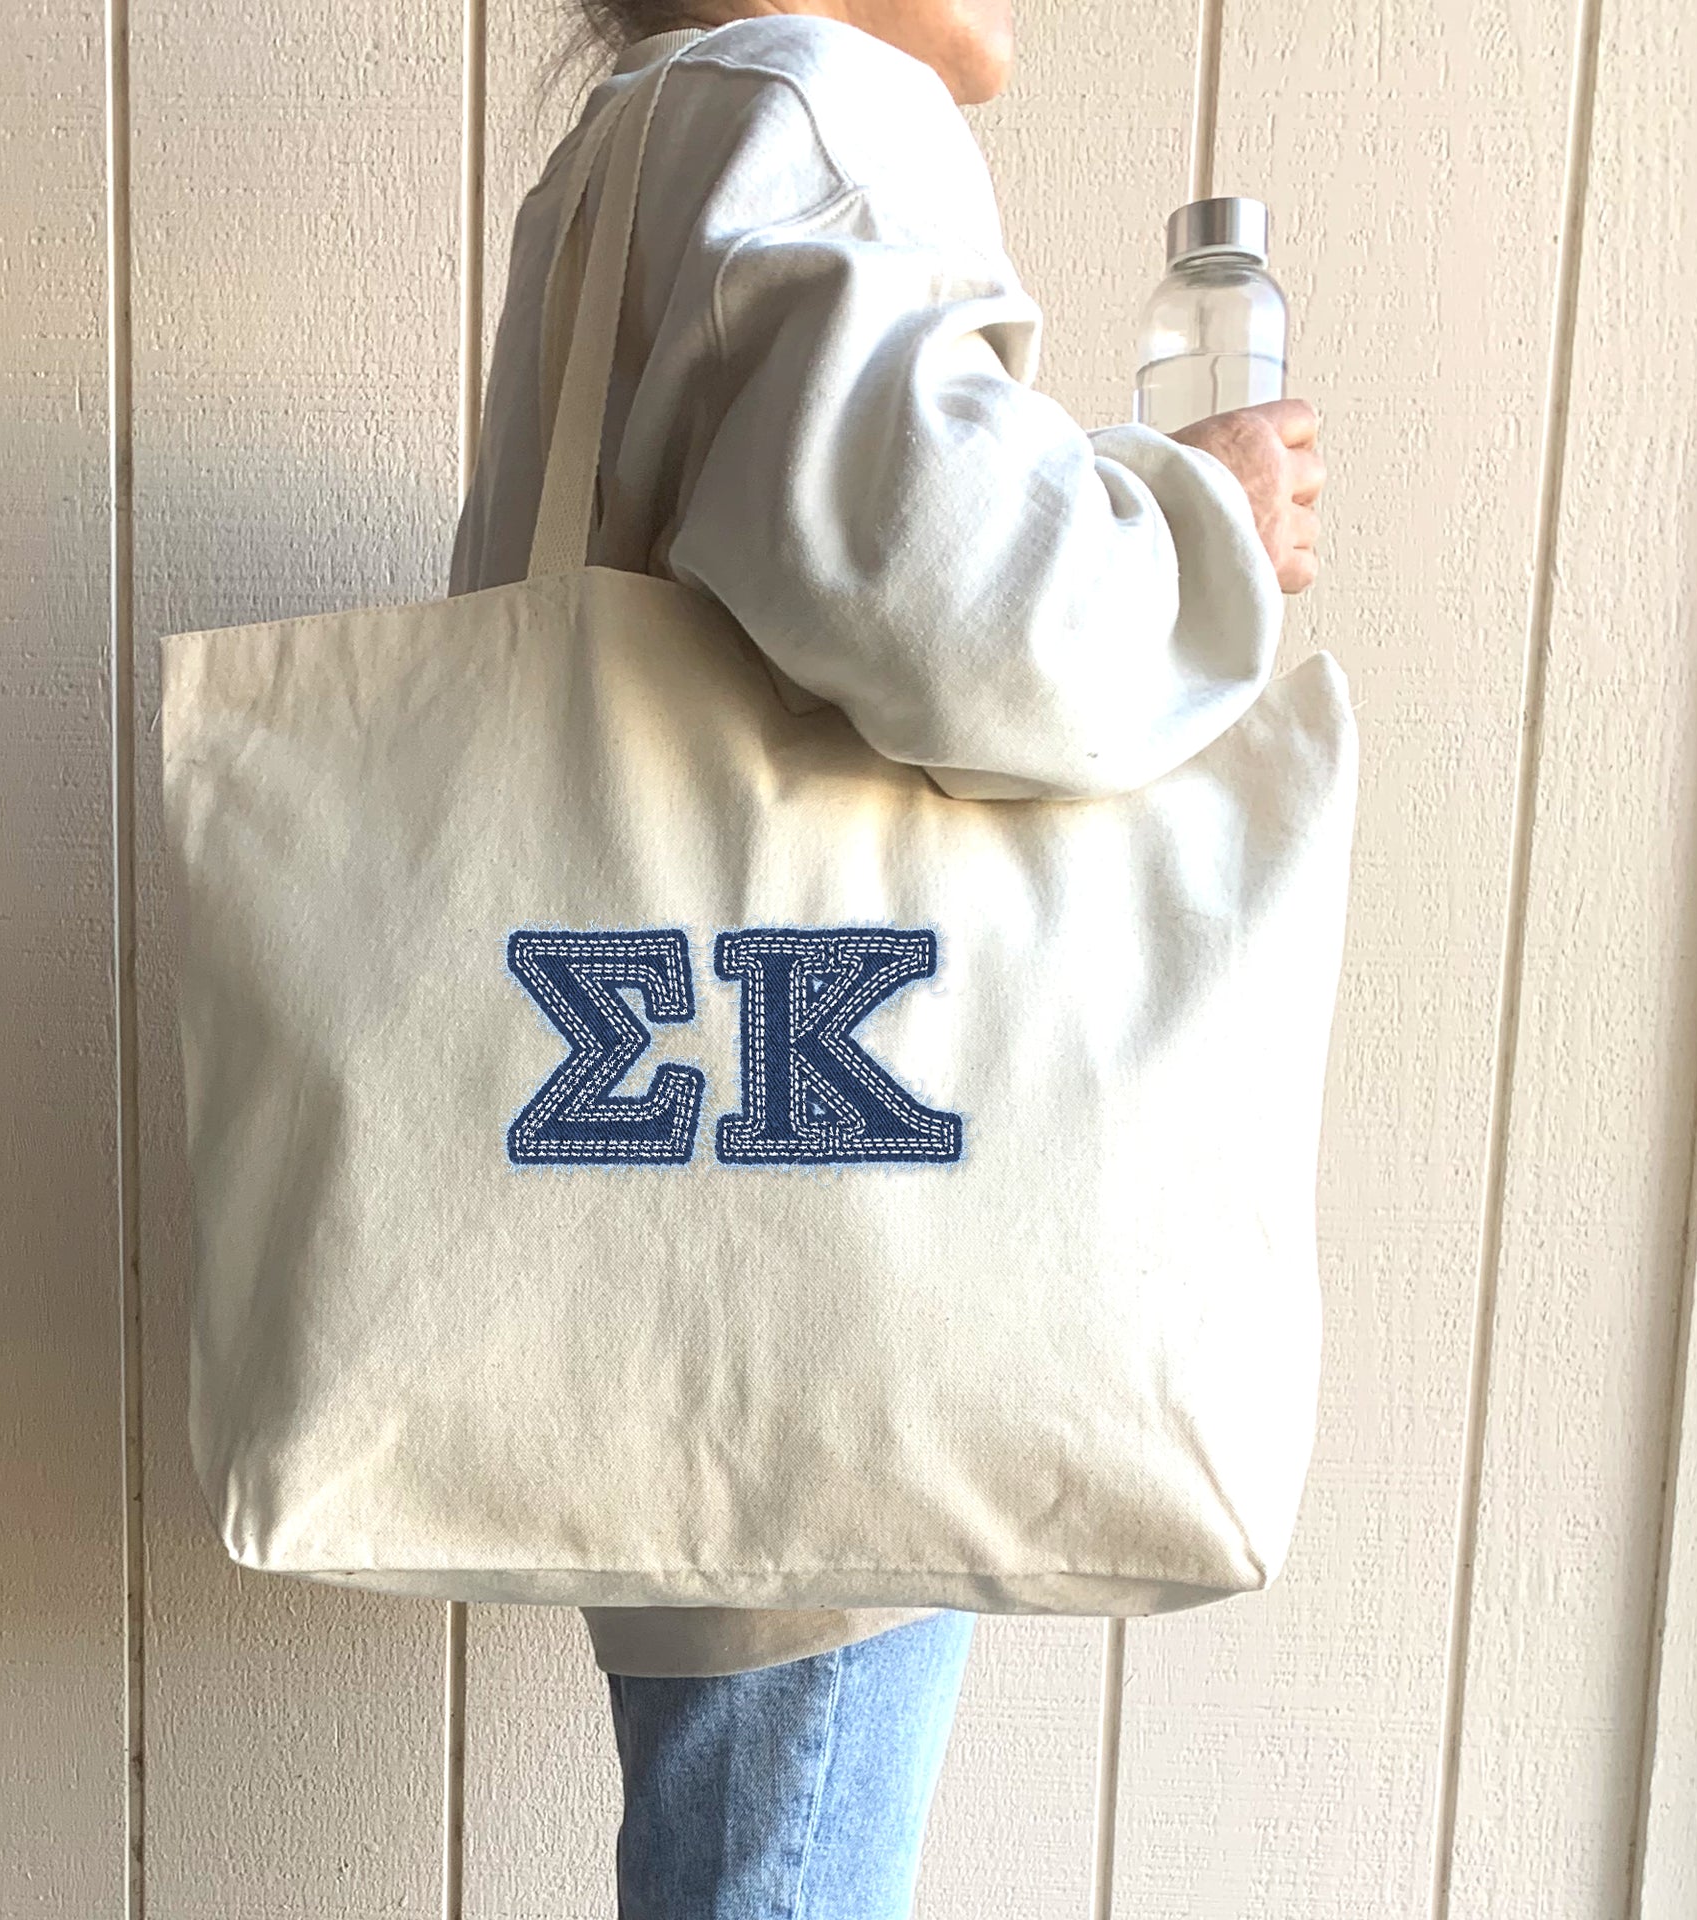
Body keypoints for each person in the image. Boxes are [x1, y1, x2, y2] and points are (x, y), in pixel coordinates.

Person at [449, 4, 1325, 1913]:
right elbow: (970, 613)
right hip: (831, 1245)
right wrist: (1205, 522)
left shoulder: (638, 144)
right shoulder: (818, 108)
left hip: (675, 1199)